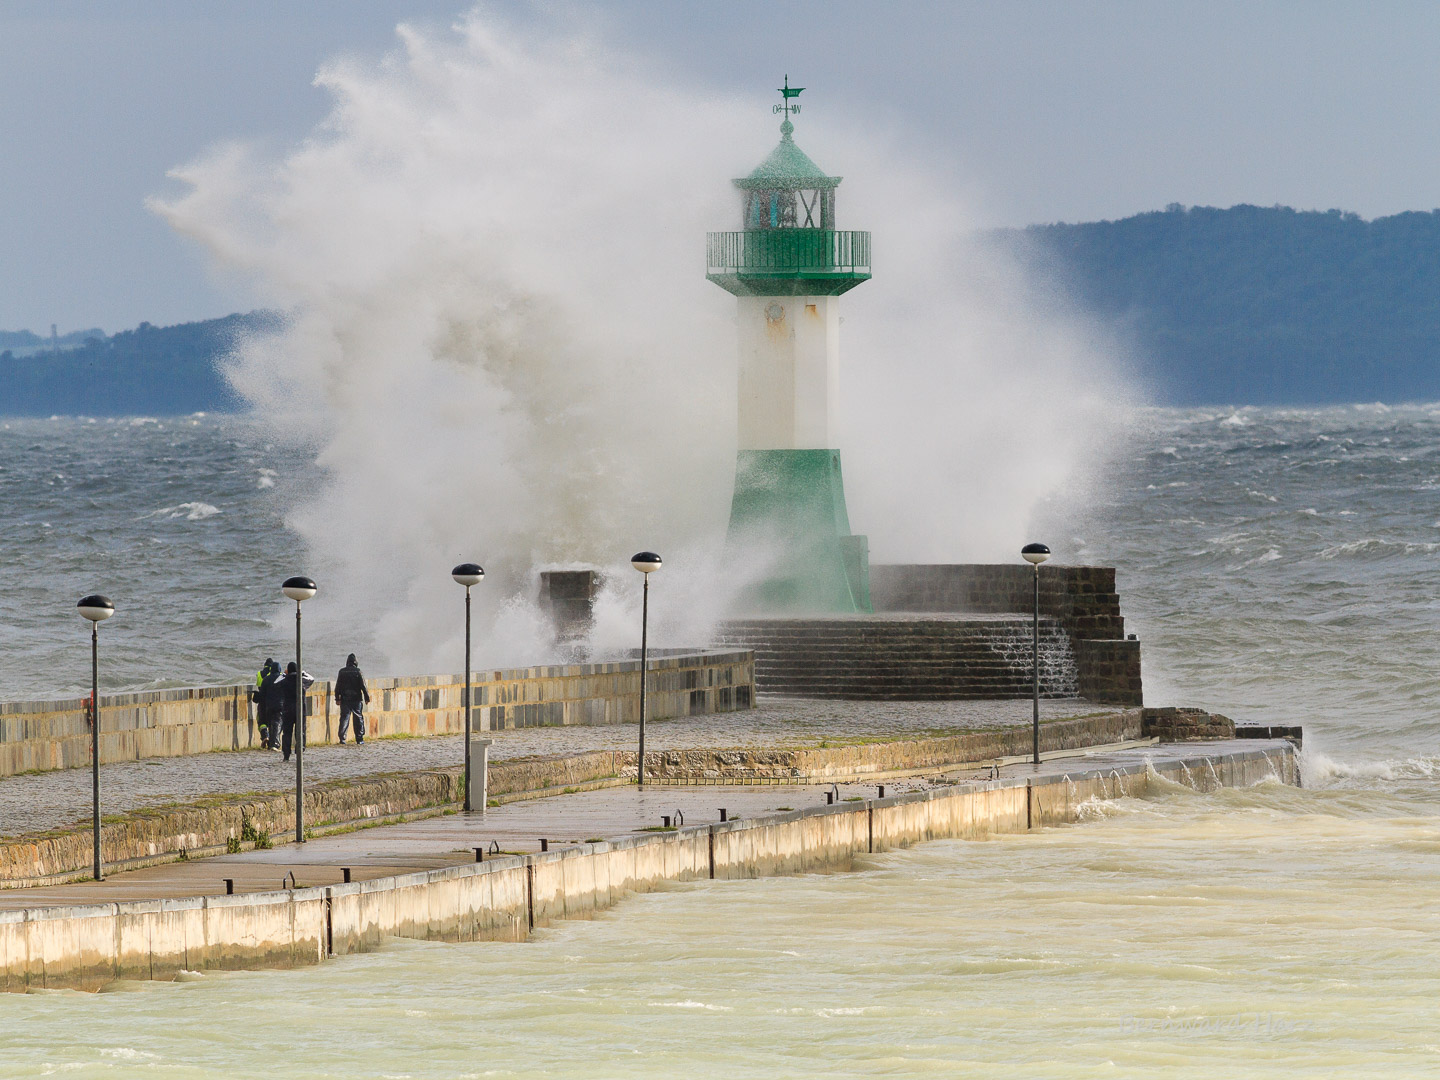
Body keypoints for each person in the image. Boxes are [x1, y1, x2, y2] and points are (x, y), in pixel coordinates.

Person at [275, 660, 314, 763]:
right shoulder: (302, 681)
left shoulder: (284, 681)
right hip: (300, 709)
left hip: (287, 709)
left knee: (287, 732)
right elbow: (312, 678)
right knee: (300, 731)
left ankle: (286, 754)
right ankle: (300, 750)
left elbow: (276, 683)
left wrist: (284, 674)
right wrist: (302, 672)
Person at [334, 653, 371, 744]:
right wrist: (367, 697)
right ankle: (359, 739)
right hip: (356, 699)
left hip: (345, 699)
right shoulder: (358, 671)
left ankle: (342, 738)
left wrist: (337, 698)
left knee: (344, 718)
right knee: (358, 718)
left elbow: (337, 686)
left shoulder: (341, 672)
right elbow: (363, 686)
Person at [257, 658, 284, 751]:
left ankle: (269, 740)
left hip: (268, 706)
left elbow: (262, 694)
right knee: (277, 723)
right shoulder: (282, 678)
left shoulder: (265, 679)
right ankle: (274, 744)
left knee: (268, 723)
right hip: (280, 705)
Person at [253, 658, 279, 749]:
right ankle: (273, 741)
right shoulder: (273, 675)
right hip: (272, 699)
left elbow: (258, 685)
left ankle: (265, 736)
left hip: (261, 699)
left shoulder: (259, 673)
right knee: (273, 721)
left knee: (261, 720)